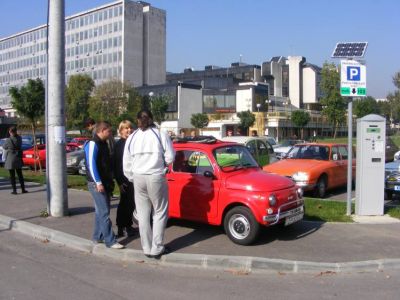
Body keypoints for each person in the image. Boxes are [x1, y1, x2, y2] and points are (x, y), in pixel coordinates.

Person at [123, 109, 175, 259]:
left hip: (138, 177)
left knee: (143, 213)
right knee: (159, 212)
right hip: (155, 175)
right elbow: (170, 156)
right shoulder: (160, 134)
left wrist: (131, 176)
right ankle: (157, 247)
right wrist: (163, 167)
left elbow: (126, 161)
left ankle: (146, 247)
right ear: (151, 119)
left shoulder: (132, 137)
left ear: (138, 120)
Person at [84, 121, 124, 249]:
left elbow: (106, 164)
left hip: (103, 183)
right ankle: (110, 241)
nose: (111, 133)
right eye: (109, 131)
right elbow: (91, 165)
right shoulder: (92, 144)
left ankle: (98, 236)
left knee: (100, 212)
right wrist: (98, 182)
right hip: (96, 184)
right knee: (104, 212)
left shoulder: (103, 144)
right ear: (102, 130)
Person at [113, 120, 137, 237]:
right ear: (121, 130)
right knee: (124, 204)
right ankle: (121, 227)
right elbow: (117, 165)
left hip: (132, 178)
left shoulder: (131, 142)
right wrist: (120, 182)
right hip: (124, 180)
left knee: (130, 203)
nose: (129, 130)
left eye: (130, 128)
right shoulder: (120, 145)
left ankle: (127, 225)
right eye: (126, 128)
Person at [3, 127, 27, 195]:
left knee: (12, 176)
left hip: (11, 159)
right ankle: (23, 189)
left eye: (10, 132)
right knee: (20, 175)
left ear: (11, 132)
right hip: (18, 158)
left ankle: (14, 190)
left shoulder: (8, 140)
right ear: (16, 131)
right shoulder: (20, 138)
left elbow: (4, 147)